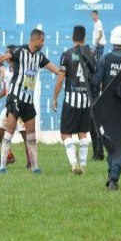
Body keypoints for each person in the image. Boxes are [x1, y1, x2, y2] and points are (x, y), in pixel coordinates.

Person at [0, 28, 60, 175]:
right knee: (10, 130)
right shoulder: (19, 51)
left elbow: (54, 69)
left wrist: (66, 71)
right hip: (15, 96)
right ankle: (2, 167)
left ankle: (35, 167)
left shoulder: (40, 57)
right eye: (42, 40)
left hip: (28, 99)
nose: (43, 42)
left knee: (31, 133)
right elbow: (3, 57)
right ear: (34, 40)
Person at [92, 25, 121, 190]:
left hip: (106, 107)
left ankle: (112, 174)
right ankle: (114, 177)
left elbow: (95, 83)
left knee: (110, 143)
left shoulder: (105, 59)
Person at [52, 26, 96, 174]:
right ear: (84, 38)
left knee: (66, 133)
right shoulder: (90, 54)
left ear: (72, 37)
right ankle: (83, 165)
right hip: (86, 100)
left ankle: (74, 164)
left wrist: (55, 97)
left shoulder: (67, 55)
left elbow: (60, 79)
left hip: (71, 99)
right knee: (83, 132)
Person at [0, 45, 29, 168]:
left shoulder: (22, 69)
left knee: (24, 133)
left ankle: (30, 160)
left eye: (7, 53)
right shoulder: (7, 71)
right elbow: (7, 89)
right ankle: (9, 156)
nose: (5, 56)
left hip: (22, 103)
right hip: (10, 104)